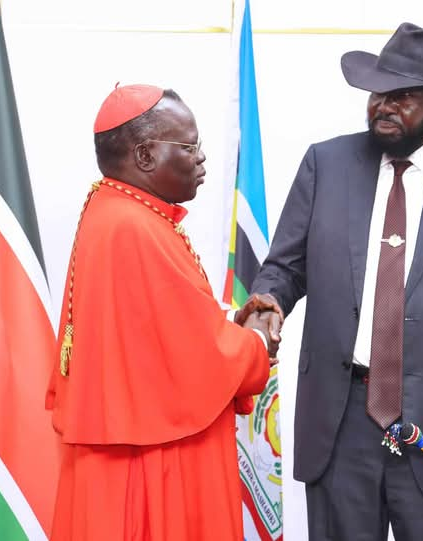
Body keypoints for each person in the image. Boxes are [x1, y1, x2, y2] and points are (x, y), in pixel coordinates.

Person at [237, 23, 423, 540]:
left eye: (404, 96)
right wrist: (268, 302)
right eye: (378, 93)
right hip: (340, 419)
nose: (383, 106)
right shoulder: (325, 164)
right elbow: (285, 266)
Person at [45, 84, 277, 541]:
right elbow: (200, 360)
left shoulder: (115, 208)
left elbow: (161, 337)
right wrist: (256, 341)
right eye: (190, 147)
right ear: (146, 155)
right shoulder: (133, 227)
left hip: (134, 442)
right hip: (152, 462)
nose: (202, 159)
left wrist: (228, 325)